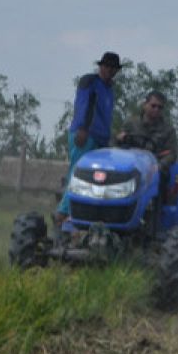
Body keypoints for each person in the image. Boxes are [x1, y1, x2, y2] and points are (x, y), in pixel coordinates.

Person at [56, 51, 121, 225]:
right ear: (100, 67)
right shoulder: (90, 82)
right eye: (106, 66)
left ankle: (84, 216)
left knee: (95, 179)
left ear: (116, 70)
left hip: (101, 139)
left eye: (113, 68)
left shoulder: (110, 89)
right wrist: (83, 129)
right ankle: (62, 214)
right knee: (78, 175)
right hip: (85, 136)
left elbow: (105, 116)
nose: (109, 70)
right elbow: (85, 106)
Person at [118, 90, 178, 167]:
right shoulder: (131, 124)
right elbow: (116, 143)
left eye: (160, 107)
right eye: (153, 106)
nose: (156, 109)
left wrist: (159, 166)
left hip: (156, 169)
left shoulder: (168, 130)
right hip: (130, 165)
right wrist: (120, 139)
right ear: (145, 105)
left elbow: (172, 154)